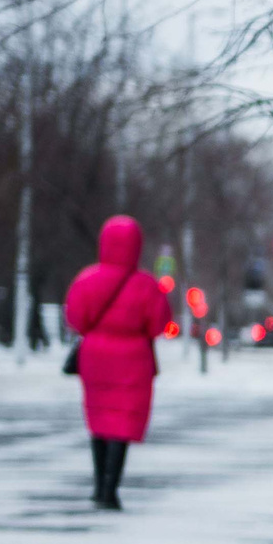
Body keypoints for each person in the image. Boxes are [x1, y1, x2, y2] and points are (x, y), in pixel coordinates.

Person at [63, 215, 168, 511]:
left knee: (98, 419)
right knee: (121, 422)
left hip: (95, 358)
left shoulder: (87, 279)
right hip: (133, 360)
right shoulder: (146, 286)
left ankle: (99, 487)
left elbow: (75, 318)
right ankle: (110, 489)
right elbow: (159, 323)